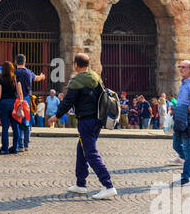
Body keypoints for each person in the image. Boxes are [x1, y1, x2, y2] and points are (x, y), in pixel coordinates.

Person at [54, 53, 116, 199]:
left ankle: (108, 185)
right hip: (97, 120)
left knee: (90, 153)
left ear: (76, 64)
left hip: (86, 121)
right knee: (81, 150)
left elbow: (68, 101)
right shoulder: (96, 77)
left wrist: (56, 116)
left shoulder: (77, 81)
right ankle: (81, 184)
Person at [12, 54, 44, 151]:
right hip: (27, 99)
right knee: (27, 122)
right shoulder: (29, 72)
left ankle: (20, 144)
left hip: (17, 99)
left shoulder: (14, 72)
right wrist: (42, 76)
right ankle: (26, 144)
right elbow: (37, 78)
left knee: (19, 121)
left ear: (16, 62)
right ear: (25, 62)